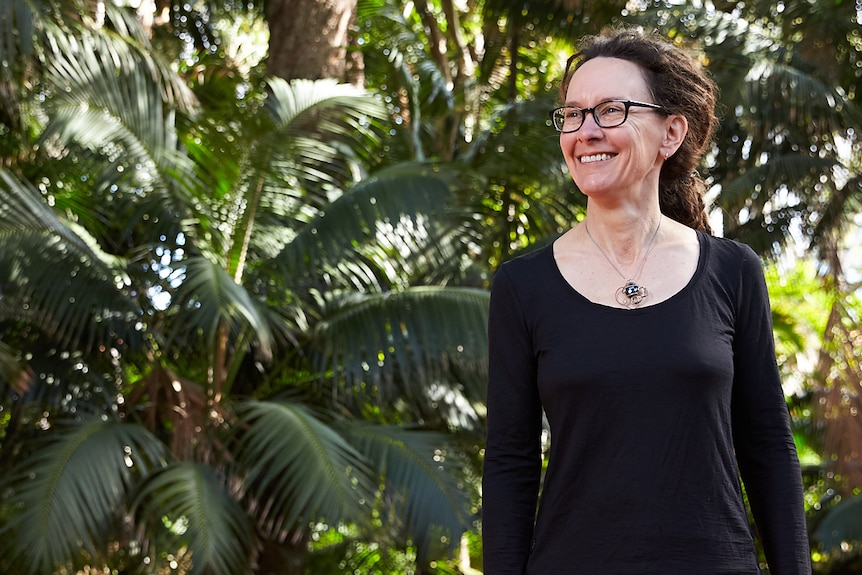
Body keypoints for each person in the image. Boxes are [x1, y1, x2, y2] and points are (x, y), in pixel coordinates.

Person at [481, 28, 811, 574]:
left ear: (671, 132)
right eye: (573, 114)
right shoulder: (523, 286)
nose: (586, 131)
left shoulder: (733, 272)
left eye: (611, 110)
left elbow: (769, 446)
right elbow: (510, 464)